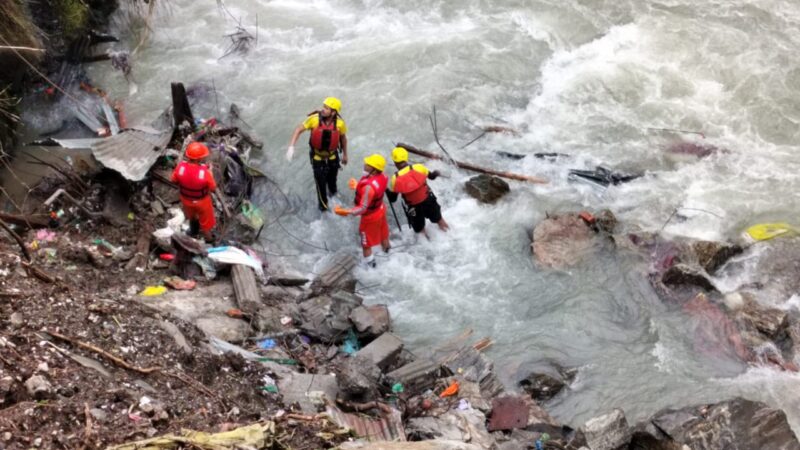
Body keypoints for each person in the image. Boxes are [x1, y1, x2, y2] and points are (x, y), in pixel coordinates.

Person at [287, 97, 349, 211]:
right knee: (320, 186)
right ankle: (323, 208)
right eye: (323, 107)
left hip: (333, 157)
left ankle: (334, 199)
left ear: (334, 112)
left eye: (326, 108)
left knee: (332, 183)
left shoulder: (340, 123)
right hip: (317, 158)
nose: (323, 109)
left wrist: (345, 155)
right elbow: (298, 130)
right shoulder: (314, 119)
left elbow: (343, 139)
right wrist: (291, 147)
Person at [334, 154, 390, 268]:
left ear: (374, 170)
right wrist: (358, 186)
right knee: (383, 234)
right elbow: (375, 192)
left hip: (370, 218)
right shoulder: (382, 176)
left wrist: (346, 212)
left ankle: (371, 267)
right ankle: (388, 252)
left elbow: (362, 208)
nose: (365, 164)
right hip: (380, 210)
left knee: (366, 244)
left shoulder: (368, 188)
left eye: (368, 164)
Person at [386, 146, 449, 237]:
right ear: (406, 158)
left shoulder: (395, 179)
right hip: (429, 200)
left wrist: (387, 190)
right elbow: (431, 176)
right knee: (439, 220)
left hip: (414, 208)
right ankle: (450, 234)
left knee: (420, 230)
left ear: (395, 162)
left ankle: (426, 245)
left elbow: (393, 199)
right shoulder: (418, 167)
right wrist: (436, 172)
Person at [171, 142, 217, 241]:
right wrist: (211, 172)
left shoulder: (181, 167)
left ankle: (193, 231)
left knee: (192, 217)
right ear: (199, 159)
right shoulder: (205, 172)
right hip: (202, 202)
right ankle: (209, 240)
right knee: (205, 223)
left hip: (186, 200)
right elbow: (213, 188)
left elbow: (173, 180)